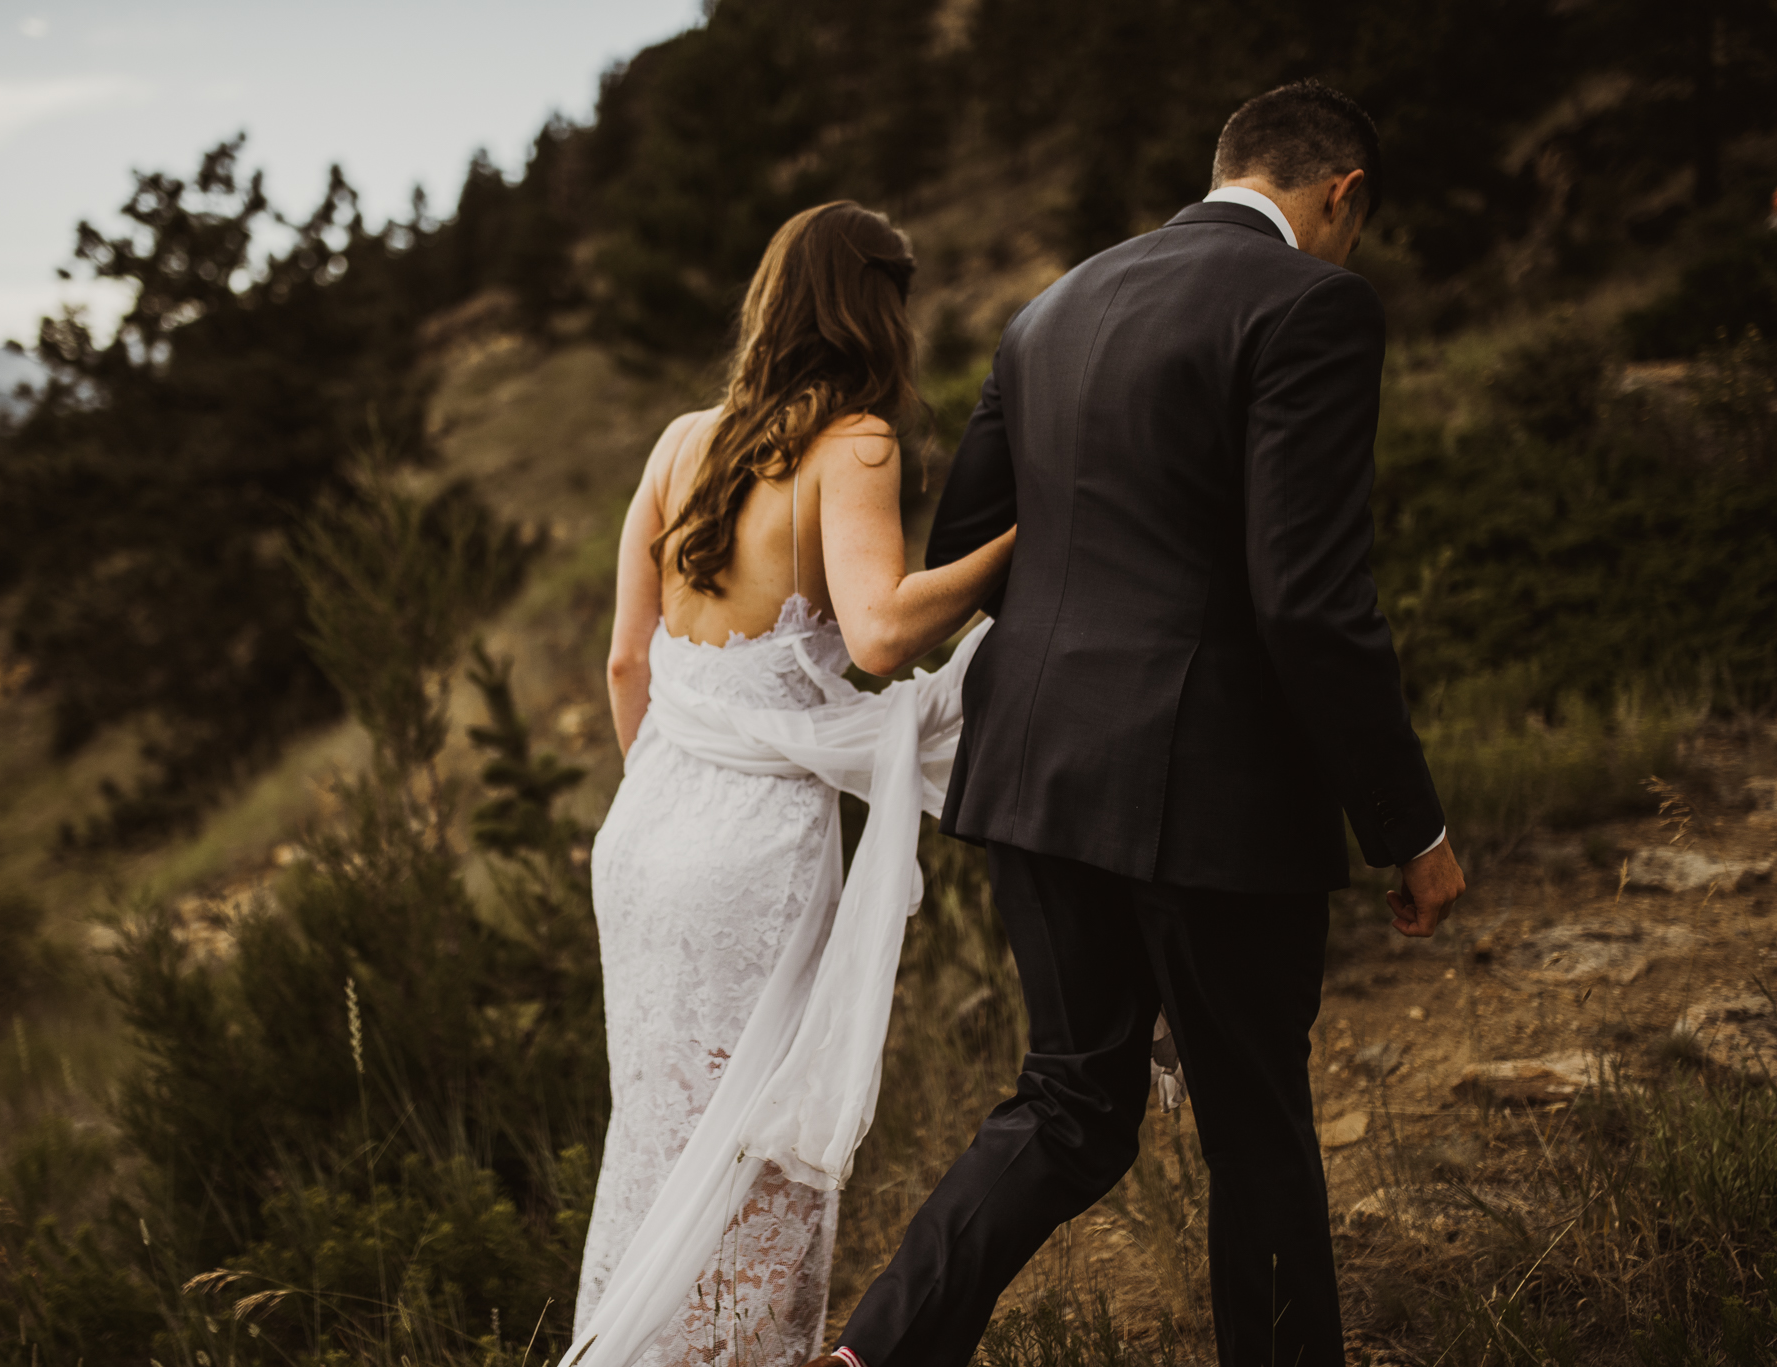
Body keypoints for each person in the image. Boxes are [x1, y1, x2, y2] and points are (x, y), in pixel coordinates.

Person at [809, 80, 1468, 1367]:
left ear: (1222, 166)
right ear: (1339, 195)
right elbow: (1311, 601)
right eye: (1356, 221)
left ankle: (869, 1357)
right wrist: (1411, 825)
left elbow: (972, 550)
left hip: (1032, 774)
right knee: (1255, 1130)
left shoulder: (1046, 310)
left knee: (1067, 1100)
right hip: (1212, 794)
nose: (1351, 246)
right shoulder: (1312, 304)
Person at [569, 201, 1016, 1367]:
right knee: (753, 1151)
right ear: (875, 307)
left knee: (659, 1137)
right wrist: (1020, 542)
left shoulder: (679, 442)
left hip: (645, 829)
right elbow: (877, 636)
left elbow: (627, 661)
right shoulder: (855, 443)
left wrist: (677, 791)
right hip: (752, 853)